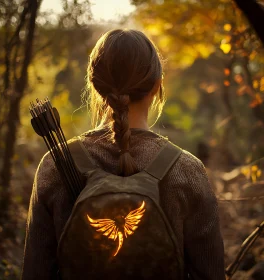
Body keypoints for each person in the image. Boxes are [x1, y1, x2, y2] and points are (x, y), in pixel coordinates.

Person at [21, 29, 225, 279]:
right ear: (157, 86)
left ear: (95, 87)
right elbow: (210, 273)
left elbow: (35, 271)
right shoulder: (186, 169)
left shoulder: (56, 164)